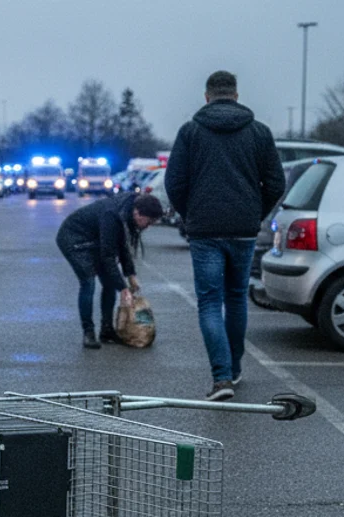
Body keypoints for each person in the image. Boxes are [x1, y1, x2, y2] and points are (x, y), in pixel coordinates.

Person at [165, 70, 285, 401]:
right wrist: (254, 214)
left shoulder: (190, 132)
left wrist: (191, 214)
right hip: (243, 231)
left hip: (205, 230)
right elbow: (276, 183)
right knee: (235, 298)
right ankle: (234, 368)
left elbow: (174, 183)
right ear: (235, 94)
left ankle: (221, 379)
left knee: (208, 301)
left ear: (207, 97)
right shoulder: (259, 133)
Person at [56, 193, 164, 348]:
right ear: (138, 213)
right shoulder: (111, 215)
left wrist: (130, 274)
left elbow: (121, 245)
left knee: (109, 283)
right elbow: (108, 256)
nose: (149, 225)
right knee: (88, 282)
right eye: (149, 221)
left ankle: (106, 330)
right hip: (73, 240)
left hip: (94, 240)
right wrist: (123, 288)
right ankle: (89, 332)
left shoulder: (126, 210)